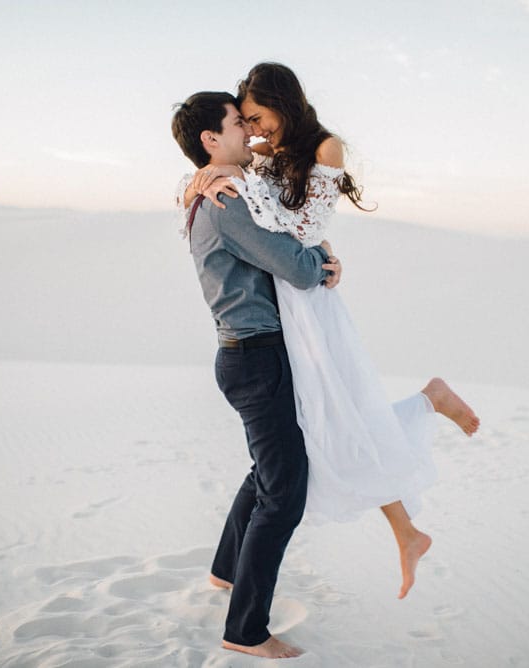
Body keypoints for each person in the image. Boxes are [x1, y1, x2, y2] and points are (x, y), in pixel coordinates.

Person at [180, 63, 480, 602]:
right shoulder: (256, 159)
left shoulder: (324, 149)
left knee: (337, 421)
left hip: (307, 302)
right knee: (328, 427)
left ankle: (414, 488)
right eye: (243, 121)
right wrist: (205, 178)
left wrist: (318, 254)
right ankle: (407, 522)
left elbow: (305, 231)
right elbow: (243, 206)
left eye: (257, 116)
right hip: (285, 302)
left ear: (282, 103)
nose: (252, 129)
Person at [171, 91, 343, 659]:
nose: (248, 131)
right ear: (210, 141)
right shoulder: (225, 200)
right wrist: (324, 263)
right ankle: (245, 629)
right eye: (237, 124)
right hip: (256, 356)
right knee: (284, 493)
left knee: (268, 471)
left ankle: (225, 570)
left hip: (250, 353)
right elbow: (293, 267)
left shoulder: (220, 188)